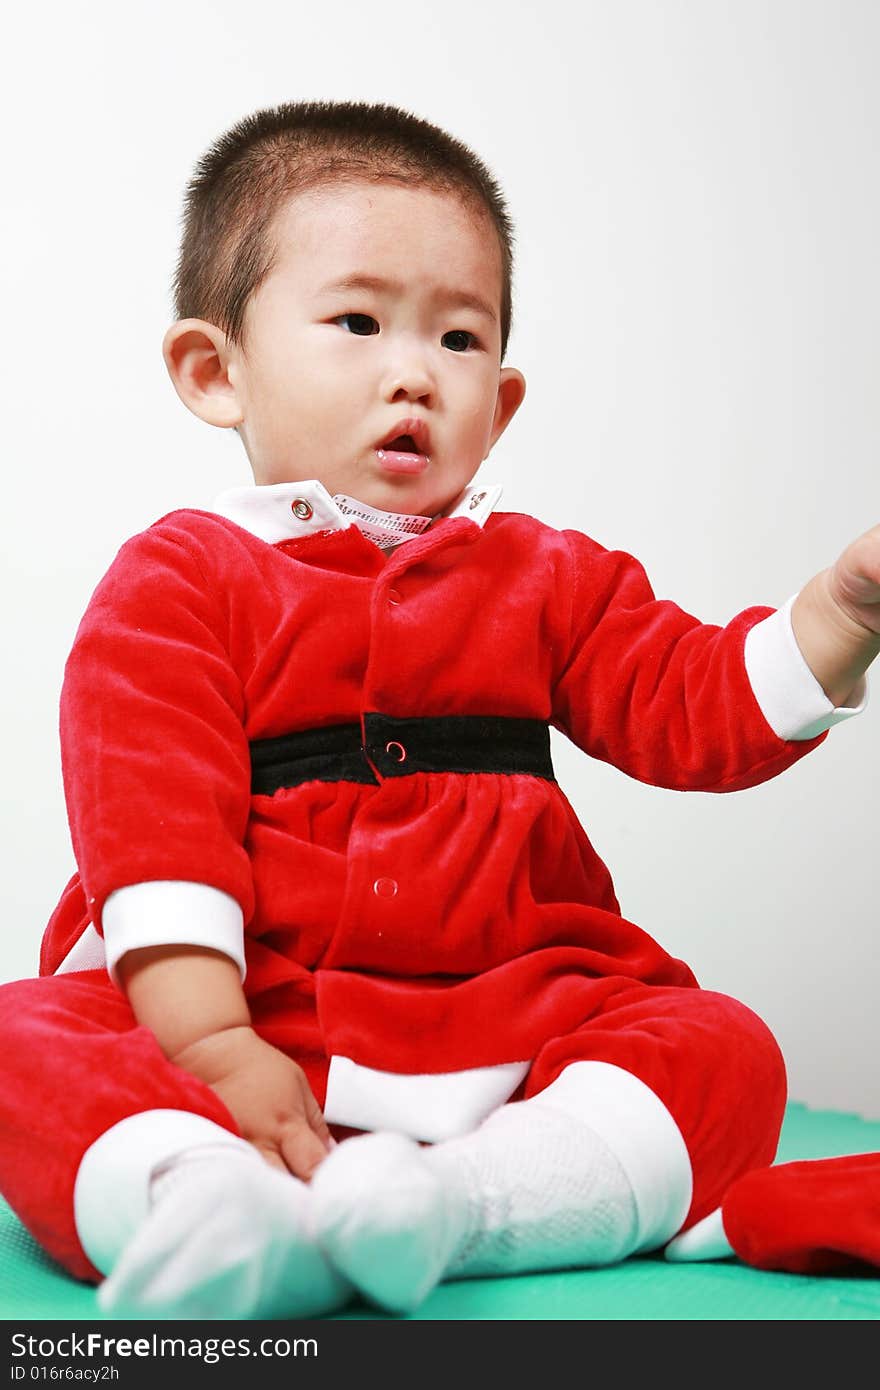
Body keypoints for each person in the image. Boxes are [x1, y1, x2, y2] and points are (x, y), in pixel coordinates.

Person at [1, 99, 878, 1320]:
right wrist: (208, 1042)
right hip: (253, 1016)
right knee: (26, 1042)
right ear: (216, 371)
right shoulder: (181, 577)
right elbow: (148, 816)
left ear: (501, 401)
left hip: (515, 1005)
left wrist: (840, 612)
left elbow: (691, 703)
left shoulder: (545, 576)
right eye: (356, 322)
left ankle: (456, 1209)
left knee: (723, 1052)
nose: (413, 369)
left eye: (459, 340)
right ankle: (209, 1200)